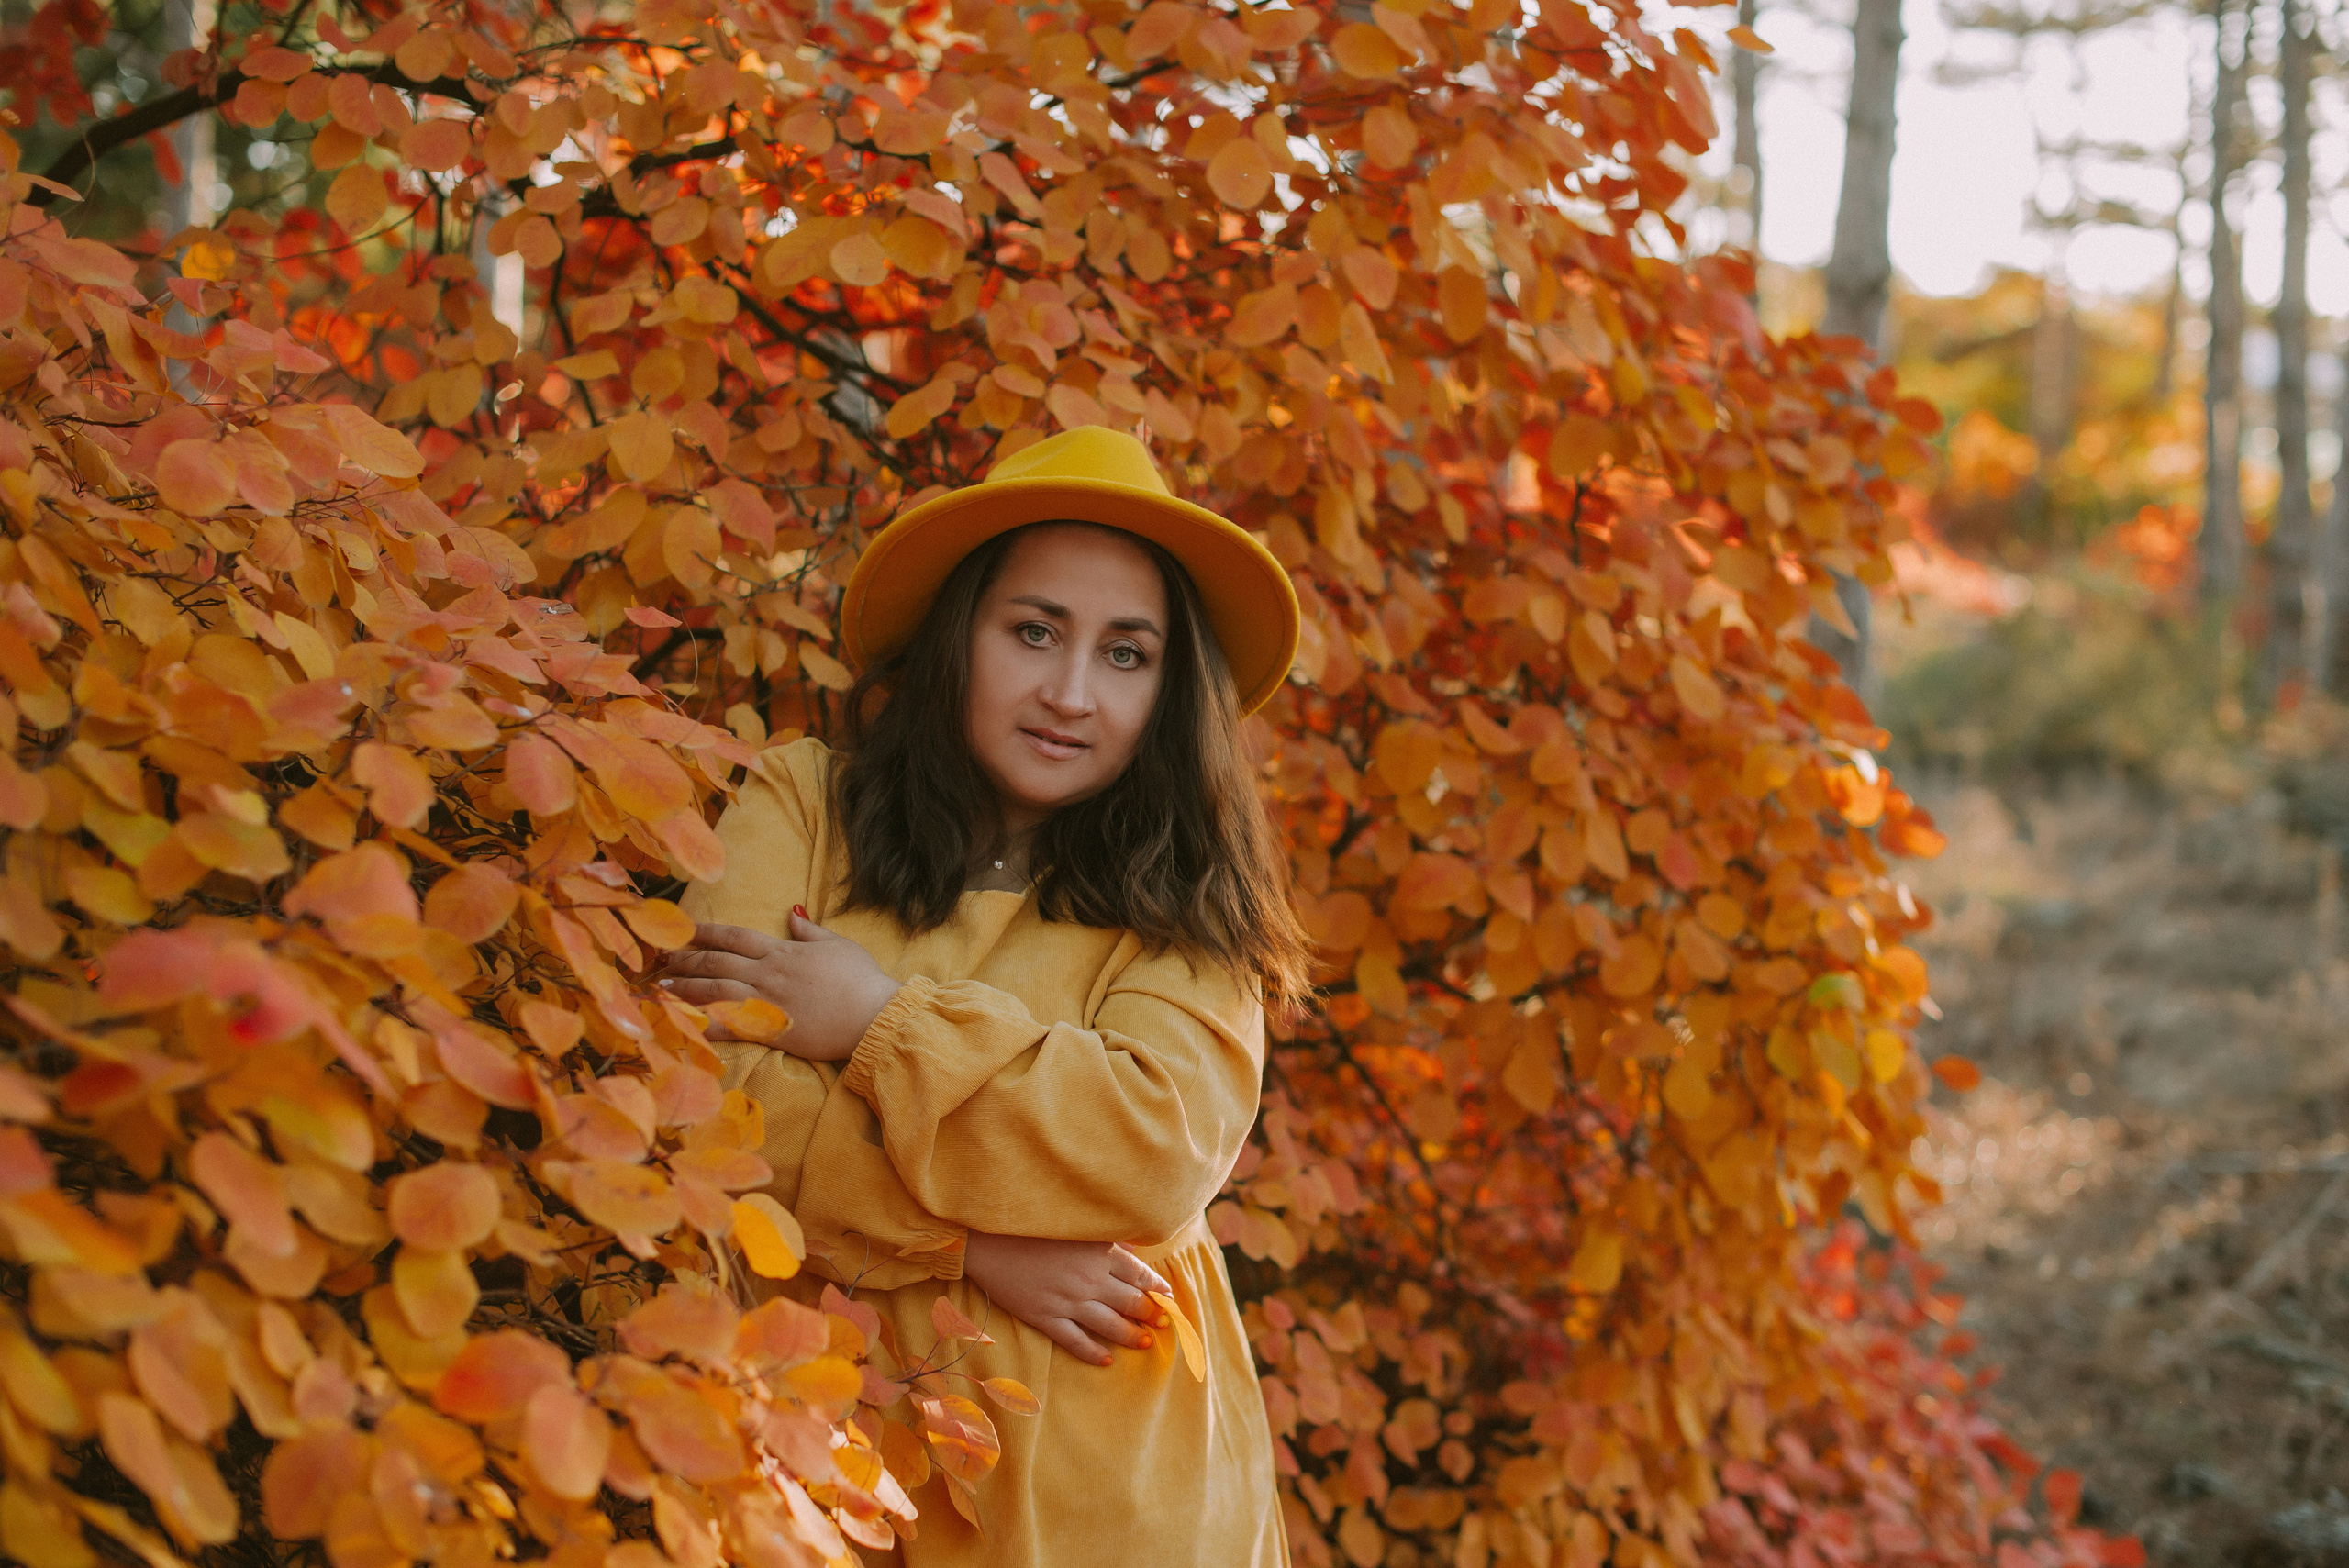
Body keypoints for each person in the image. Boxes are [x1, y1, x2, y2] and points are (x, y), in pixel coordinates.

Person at [664, 428, 1312, 1565]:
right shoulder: (801, 805)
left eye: (1126, 654)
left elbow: (1147, 1150)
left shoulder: (1190, 902)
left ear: (1169, 689)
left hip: (1118, 1502)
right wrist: (961, 1245)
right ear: (960, 635)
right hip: (806, 1467)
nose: (1069, 692)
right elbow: (706, 1101)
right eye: (1033, 631)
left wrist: (872, 1021)